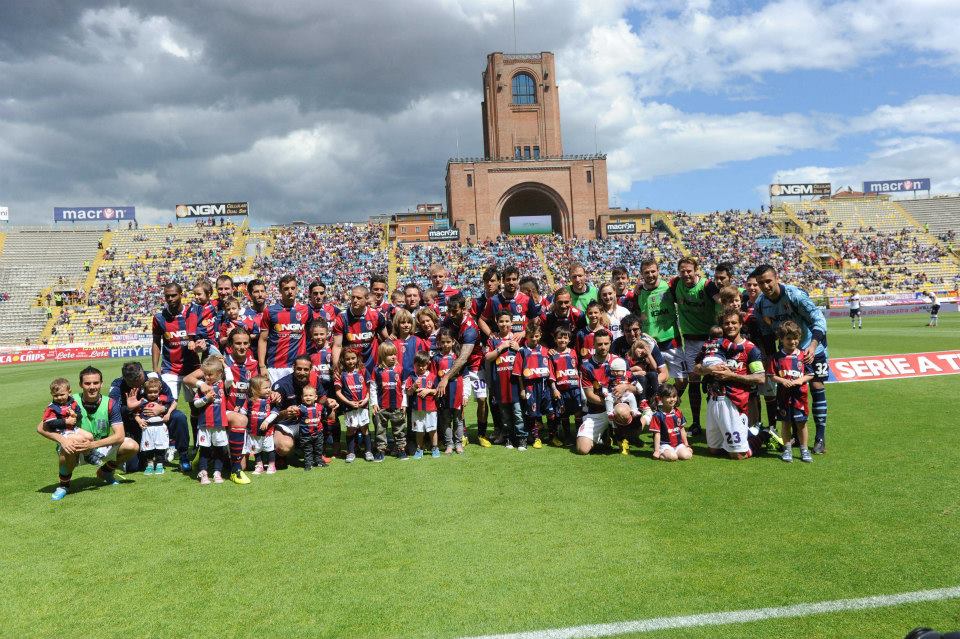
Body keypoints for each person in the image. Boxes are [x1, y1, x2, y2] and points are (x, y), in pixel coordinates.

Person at [754, 264, 830, 454]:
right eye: (761, 283)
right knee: (789, 391)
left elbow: (818, 318)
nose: (765, 286)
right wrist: (772, 356)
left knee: (817, 386)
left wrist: (812, 346)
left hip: (812, 346)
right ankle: (796, 436)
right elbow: (765, 333)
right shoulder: (761, 304)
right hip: (787, 352)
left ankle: (820, 437)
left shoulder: (794, 295)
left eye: (768, 281)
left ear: (776, 278)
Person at [38, 366, 139, 501]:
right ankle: (64, 485)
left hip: (97, 448)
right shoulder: (68, 400)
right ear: (80, 385)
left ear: (101, 384)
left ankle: (105, 472)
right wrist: (62, 440)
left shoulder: (110, 403)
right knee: (67, 447)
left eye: (96, 383)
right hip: (75, 448)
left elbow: (119, 435)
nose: (92, 387)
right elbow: (41, 427)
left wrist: (92, 445)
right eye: (87, 383)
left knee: (132, 446)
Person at [696, 310, 765, 460]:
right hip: (713, 400)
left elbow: (760, 378)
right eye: (726, 323)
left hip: (735, 402)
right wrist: (709, 369)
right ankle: (742, 436)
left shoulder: (750, 349)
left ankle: (760, 435)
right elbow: (696, 369)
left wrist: (732, 375)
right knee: (714, 450)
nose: (730, 326)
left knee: (738, 455)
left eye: (734, 323)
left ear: (741, 324)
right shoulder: (714, 344)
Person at [109, 361, 189, 473]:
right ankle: (145, 453)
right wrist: (130, 408)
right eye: (132, 382)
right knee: (133, 468)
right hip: (136, 425)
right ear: (125, 378)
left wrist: (163, 409)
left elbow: (170, 400)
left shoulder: (153, 377)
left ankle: (183, 456)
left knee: (179, 417)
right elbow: (113, 410)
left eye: (139, 379)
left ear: (142, 372)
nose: (136, 383)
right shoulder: (118, 385)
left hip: (159, 420)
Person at [670, 256, 719, 437]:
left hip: (710, 341)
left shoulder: (707, 285)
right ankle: (696, 423)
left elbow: (722, 300)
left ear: (696, 270)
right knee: (694, 382)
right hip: (690, 341)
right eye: (682, 271)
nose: (686, 274)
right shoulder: (676, 284)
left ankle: (716, 422)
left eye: (689, 270)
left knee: (715, 382)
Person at [621, 258, 683, 384]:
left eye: (653, 271)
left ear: (658, 271)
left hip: (671, 340)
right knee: (653, 378)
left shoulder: (669, 287)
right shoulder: (638, 293)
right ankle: (657, 402)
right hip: (649, 342)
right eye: (646, 272)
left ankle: (669, 401)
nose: (650, 275)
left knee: (682, 381)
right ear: (641, 274)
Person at [189, 356, 248, 484]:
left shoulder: (223, 385)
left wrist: (224, 364)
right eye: (205, 374)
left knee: (219, 449)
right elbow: (196, 404)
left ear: (219, 374)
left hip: (219, 424)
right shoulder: (202, 388)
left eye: (210, 374)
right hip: (204, 424)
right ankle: (203, 472)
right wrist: (206, 399)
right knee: (204, 449)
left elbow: (231, 378)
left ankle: (217, 472)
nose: (207, 377)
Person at [272, 356, 338, 463]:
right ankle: (280, 454)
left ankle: (318, 452)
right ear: (293, 367)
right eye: (299, 369)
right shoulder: (282, 385)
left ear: (310, 369)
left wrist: (328, 401)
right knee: (284, 447)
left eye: (306, 369)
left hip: (307, 422)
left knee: (330, 413)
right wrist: (286, 412)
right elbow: (270, 416)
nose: (302, 372)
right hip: (287, 424)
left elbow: (322, 397)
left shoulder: (314, 379)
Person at [577, 329, 631, 455]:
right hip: (597, 411)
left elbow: (634, 386)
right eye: (599, 344)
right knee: (582, 449)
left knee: (622, 411)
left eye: (606, 343)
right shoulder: (586, 366)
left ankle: (622, 437)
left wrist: (625, 387)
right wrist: (608, 404)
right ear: (594, 345)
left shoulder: (619, 361)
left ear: (610, 343)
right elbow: (590, 396)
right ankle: (605, 434)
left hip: (618, 408)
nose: (603, 347)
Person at [441, 294, 484, 447]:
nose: (451, 314)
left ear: (463, 310)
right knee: (461, 400)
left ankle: (482, 433)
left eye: (454, 311)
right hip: (459, 367)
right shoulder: (449, 320)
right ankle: (463, 433)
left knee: (482, 399)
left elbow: (464, 357)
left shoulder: (470, 328)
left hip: (476, 365)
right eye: (449, 311)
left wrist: (446, 377)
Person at [770, 321, 814, 463]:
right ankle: (787, 449)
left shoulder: (803, 356)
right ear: (781, 339)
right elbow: (771, 375)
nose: (792, 341)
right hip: (783, 397)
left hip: (800, 397)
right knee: (786, 423)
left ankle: (804, 450)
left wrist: (800, 380)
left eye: (795, 338)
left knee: (802, 423)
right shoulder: (776, 357)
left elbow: (811, 374)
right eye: (788, 338)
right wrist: (782, 381)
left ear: (799, 338)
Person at [259, 274, 310, 384]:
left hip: (298, 367)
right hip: (275, 367)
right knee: (275, 399)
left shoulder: (305, 310)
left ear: (297, 289)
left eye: (292, 288)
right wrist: (262, 365)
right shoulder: (270, 311)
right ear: (280, 291)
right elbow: (263, 339)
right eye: (286, 289)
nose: (290, 291)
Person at [512, 322, 554, 449]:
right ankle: (537, 438)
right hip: (530, 386)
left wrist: (553, 387)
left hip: (544, 386)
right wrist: (522, 389)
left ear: (540, 335)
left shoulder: (546, 351)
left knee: (551, 412)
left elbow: (551, 370)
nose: (534, 339)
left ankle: (553, 436)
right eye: (531, 336)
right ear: (527, 337)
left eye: (536, 336)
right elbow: (518, 373)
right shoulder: (522, 351)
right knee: (533, 414)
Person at [486, 309, 523, 448]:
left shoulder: (517, 338)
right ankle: (508, 437)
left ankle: (521, 438)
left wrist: (519, 348)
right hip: (500, 384)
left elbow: (526, 356)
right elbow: (487, 357)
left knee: (518, 413)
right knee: (505, 415)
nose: (504, 324)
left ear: (512, 322)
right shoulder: (493, 340)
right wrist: (501, 347)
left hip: (515, 383)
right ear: (496, 322)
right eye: (501, 321)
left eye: (507, 321)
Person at [332, 285, 388, 376]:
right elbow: (337, 345)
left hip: (372, 365)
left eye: (358, 298)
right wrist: (336, 366)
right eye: (353, 297)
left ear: (366, 299)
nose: (355, 300)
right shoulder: (342, 318)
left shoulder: (376, 316)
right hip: (350, 366)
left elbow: (386, 339)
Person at [478, 265, 541, 341]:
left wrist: (523, 333)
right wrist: (490, 334)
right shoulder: (494, 301)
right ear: (503, 281)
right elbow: (481, 320)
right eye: (508, 279)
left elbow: (535, 322)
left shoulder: (526, 300)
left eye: (514, 279)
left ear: (518, 280)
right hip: (500, 345)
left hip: (521, 346)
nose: (511, 282)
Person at [370, 342, 408, 461]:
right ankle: (381, 450)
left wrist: (404, 403)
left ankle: (401, 449)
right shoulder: (377, 370)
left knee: (399, 428)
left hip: (397, 406)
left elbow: (404, 388)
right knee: (380, 429)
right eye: (389, 355)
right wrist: (374, 403)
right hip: (382, 407)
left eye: (394, 354)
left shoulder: (400, 369)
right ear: (382, 356)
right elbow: (373, 387)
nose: (393, 357)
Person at [335, 349, 372, 463]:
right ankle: (351, 452)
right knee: (351, 429)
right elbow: (338, 392)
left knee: (364, 428)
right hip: (349, 407)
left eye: (353, 358)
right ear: (343, 359)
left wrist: (366, 399)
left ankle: (368, 451)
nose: (350, 361)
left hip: (363, 406)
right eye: (347, 359)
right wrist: (349, 402)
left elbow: (369, 387)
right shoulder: (340, 374)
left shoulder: (363, 370)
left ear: (357, 358)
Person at [434, 327, 465, 454]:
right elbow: (434, 377)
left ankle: (458, 443)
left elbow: (466, 376)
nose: (445, 344)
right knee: (446, 420)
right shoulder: (436, 358)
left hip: (457, 392)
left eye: (448, 341)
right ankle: (449, 444)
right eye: (443, 342)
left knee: (458, 420)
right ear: (439, 343)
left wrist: (465, 394)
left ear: (453, 342)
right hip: (443, 394)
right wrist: (435, 393)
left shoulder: (458, 357)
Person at [548, 327, 581, 446]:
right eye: (560, 337)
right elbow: (551, 374)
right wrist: (554, 389)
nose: (562, 340)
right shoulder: (552, 354)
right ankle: (567, 436)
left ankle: (579, 435)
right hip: (561, 390)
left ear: (569, 339)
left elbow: (579, 369)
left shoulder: (573, 352)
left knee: (578, 412)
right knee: (564, 413)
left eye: (565, 337)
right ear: (555, 339)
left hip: (575, 388)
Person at [240, 376, 279, 475]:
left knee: (269, 449)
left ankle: (271, 465)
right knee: (255, 449)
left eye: (269, 387)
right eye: (265, 388)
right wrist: (239, 412)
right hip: (253, 431)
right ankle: (259, 465)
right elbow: (243, 411)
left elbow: (275, 413)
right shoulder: (249, 401)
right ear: (255, 389)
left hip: (268, 432)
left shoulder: (271, 400)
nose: (269, 390)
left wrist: (266, 421)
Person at [406, 351, 440, 459]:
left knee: (432, 429)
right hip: (416, 410)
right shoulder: (411, 377)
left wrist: (428, 391)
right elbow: (408, 392)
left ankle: (435, 447)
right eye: (418, 365)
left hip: (430, 409)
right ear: (414, 365)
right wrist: (414, 387)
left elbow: (437, 391)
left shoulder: (433, 376)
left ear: (428, 364)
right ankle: (419, 449)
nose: (421, 368)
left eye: (423, 365)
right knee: (419, 430)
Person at [138, 377, 175, 475]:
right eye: (150, 392)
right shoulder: (142, 401)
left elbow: (174, 402)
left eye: (155, 392)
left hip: (160, 427)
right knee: (148, 448)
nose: (153, 394)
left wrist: (168, 413)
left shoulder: (163, 398)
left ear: (159, 391)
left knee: (160, 447)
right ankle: (150, 465)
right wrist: (139, 420)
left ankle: (159, 464)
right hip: (147, 428)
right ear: (145, 391)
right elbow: (135, 413)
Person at [650, 385, 693, 462]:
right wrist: (656, 450)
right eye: (668, 397)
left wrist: (686, 445)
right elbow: (657, 434)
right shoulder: (658, 415)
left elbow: (682, 429)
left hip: (678, 444)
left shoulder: (678, 412)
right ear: (660, 398)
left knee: (687, 455)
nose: (672, 399)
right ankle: (661, 453)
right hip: (665, 445)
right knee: (673, 457)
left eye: (674, 396)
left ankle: (676, 452)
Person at [296, 386, 327, 470]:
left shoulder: (320, 407)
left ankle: (319, 461)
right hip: (306, 435)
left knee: (319, 448)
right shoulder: (300, 408)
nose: (308, 397)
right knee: (308, 450)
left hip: (318, 433)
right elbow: (296, 418)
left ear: (315, 397)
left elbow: (324, 416)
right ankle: (308, 464)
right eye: (305, 396)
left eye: (310, 395)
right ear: (302, 398)